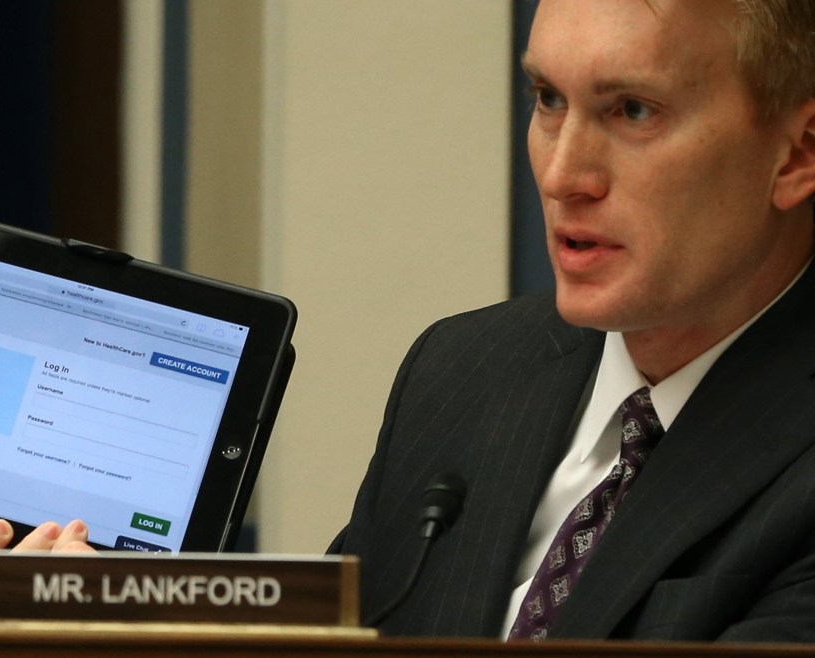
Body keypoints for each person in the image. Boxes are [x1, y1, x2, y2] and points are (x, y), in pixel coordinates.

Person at [334, 0, 815, 643]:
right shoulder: (462, 368)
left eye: (632, 111)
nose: (563, 176)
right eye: (549, 99)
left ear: (796, 156)